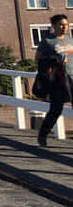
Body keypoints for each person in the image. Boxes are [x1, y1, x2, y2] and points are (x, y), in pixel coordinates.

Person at [35, 13, 73, 147]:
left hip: (72, 77)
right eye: (61, 24)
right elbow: (37, 60)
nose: (64, 27)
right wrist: (54, 60)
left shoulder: (70, 39)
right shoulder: (47, 42)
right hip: (58, 81)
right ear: (54, 26)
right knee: (56, 109)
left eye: (66, 25)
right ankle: (43, 134)